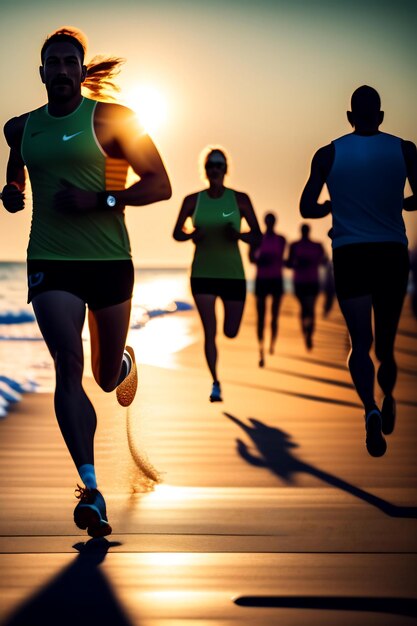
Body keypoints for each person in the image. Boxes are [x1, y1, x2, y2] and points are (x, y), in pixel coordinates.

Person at [1, 27, 171, 537]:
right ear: (41, 72)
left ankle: (121, 361)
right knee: (67, 364)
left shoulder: (113, 120)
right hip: (50, 261)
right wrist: (11, 192)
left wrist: (102, 200)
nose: (59, 70)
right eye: (51, 62)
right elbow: (18, 174)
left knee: (101, 375)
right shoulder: (20, 127)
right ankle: (90, 487)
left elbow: (159, 184)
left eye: (68, 62)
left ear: (81, 69)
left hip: (109, 260)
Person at [300, 85, 417, 457]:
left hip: (350, 253)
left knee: (359, 344)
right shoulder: (404, 149)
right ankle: (388, 395)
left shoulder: (329, 153)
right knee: (385, 344)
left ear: (349, 117)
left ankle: (369, 408)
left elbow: (306, 207)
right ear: (381, 117)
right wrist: (398, 202)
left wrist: (333, 207)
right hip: (391, 253)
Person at [173, 147, 261, 401]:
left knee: (230, 331)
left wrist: (239, 236)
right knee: (209, 332)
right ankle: (215, 382)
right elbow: (177, 233)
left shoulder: (240, 199)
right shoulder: (193, 200)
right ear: (205, 170)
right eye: (210, 165)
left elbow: (258, 236)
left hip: (233, 275)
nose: (214, 169)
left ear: (226, 170)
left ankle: (217, 375)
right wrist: (192, 234)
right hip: (203, 274)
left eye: (218, 165)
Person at [251, 212, 287, 367]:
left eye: (271, 221)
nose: (270, 223)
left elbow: (283, 258)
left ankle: (272, 344)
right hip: (262, 279)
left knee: (274, 316)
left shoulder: (281, 239)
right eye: (268, 221)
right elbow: (251, 258)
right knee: (261, 316)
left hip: (276, 279)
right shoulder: (258, 239)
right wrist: (262, 259)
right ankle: (261, 349)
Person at [287, 223, 326, 350]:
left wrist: (312, 262)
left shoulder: (317, 245)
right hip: (299, 281)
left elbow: (324, 261)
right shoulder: (294, 245)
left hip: (312, 281)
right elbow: (288, 263)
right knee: (305, 307)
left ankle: (309, 334)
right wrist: (298, 263)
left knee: (310, 307)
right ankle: (306, 333)